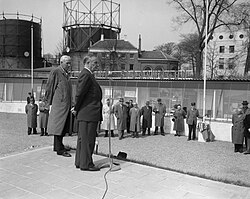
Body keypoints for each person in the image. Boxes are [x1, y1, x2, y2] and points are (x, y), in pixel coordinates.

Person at [72, 54, 102, 171]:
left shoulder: (88, 75)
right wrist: (76, 108)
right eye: (95, 63)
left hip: (88, 113)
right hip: (88, 113)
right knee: (88, 140)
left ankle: (80, 161)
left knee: (83, 139)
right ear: (88, 63)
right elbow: (80, 94)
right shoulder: (86, 75)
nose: (97, 66)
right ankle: (87, 164)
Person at [44, 55, 72, 157]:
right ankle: (59, 149)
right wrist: (48, 102)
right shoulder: (56, 72)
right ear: (61, 62)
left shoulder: (66, 74)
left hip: (65, 105)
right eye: (67, 63)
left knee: (63, 126)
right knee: (58, 126)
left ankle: (58, 145)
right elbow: (49, 87)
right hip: (59, 105)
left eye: (70, 63)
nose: (69, 65)